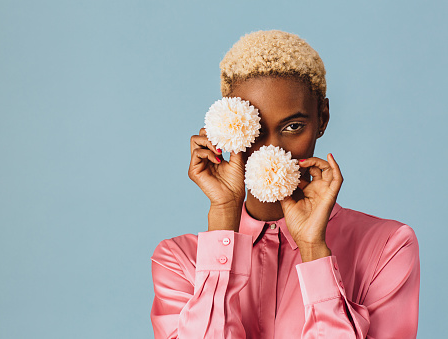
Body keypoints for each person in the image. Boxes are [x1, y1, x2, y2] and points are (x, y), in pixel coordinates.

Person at [150, 30, 420, 338]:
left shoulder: (388, 247)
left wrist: (313, 250)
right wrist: (224, 215)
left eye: (293, 126)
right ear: (227, 128)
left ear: (323, 117)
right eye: (254, 129)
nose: (271, 151)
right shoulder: (179, 262)